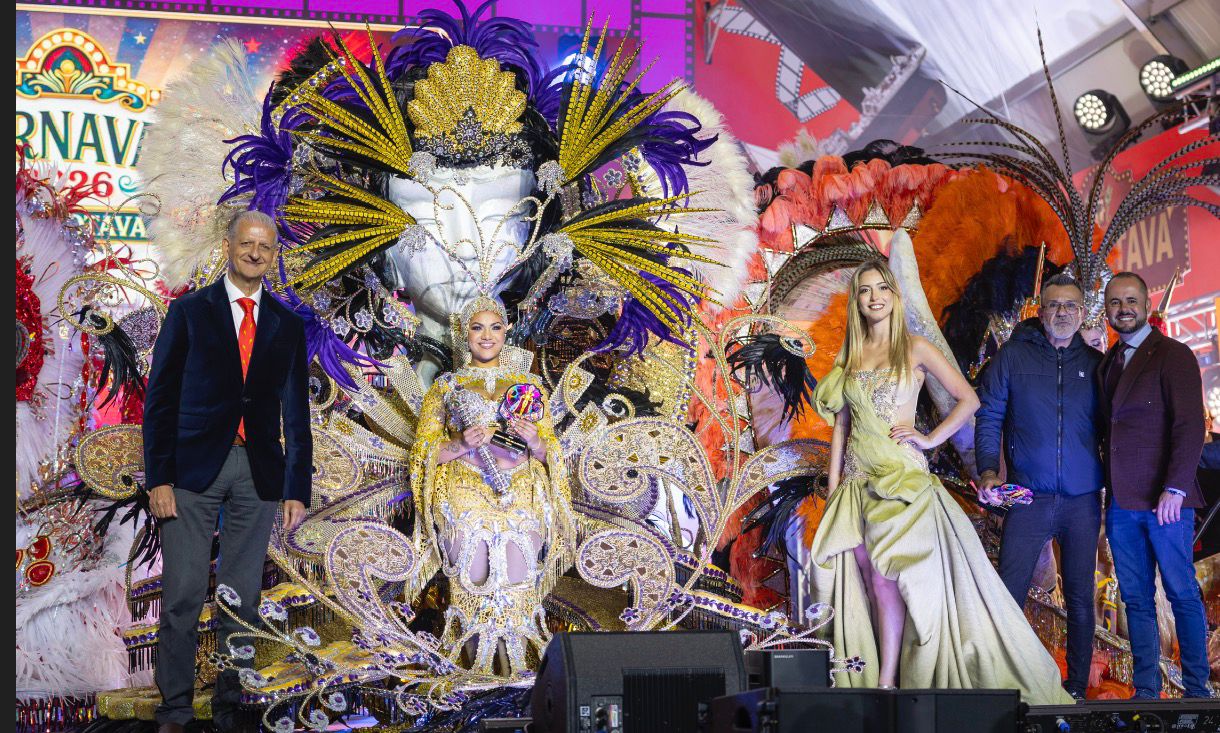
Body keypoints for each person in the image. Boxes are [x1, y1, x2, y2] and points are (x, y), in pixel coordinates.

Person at [807, 260, 1072, 704]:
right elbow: (842, 424)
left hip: (902, 480)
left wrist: (929, 438)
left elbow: (969, 399)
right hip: (856, 481)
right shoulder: (850, 356)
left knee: (897, 579)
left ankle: (891, 679)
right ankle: (877, 676)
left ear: (893, 296)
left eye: (881, 289)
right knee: (870, 580)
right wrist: (835, 486)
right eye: (865, 291)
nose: (874, 297)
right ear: (857, 300)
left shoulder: (915, 348)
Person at [143, 210, 312, 733]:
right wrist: (159, 479)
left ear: (273, 253)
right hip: (192, 472)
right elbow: (160, 400)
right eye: (247, 244)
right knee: (183, 596)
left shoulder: (286, 323)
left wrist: (295, 488)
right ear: (229, 245)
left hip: (258, 473)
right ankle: (174, 708)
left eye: (265, 246)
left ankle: (229, 706)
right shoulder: (191, 311)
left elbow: (295, 413)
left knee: (243, 600)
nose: (255, 253)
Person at [409, 296, 575, 676]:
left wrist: (533, 440)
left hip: (520, 494)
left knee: (517, 586)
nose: (487, 336)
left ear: (507, 332)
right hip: (464, 494)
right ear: (463, 334)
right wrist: (461, 444)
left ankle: (522, 680)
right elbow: (422, 453)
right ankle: (471, 678)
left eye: (495, 327)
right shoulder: (446, 387)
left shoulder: (530, 385)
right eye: (477, 327)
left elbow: (552, 452)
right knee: (472, 584)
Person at [974, 272, 1103, 700]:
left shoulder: (1098, 365)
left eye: (1070, 306)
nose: (1062, 312)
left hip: (1083, 501)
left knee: (1081, 600)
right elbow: (989, 415)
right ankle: (1001, 686)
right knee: (1008, 593)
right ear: (1040, 310)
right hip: (1028, 497)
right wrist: (990, 471)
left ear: (1082, 313)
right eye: (1054, 305)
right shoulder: (1012, 357)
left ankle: (1077, 689)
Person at [1100, 271, 1210, 699]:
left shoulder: (1173, 354)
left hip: (1166, 503)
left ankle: (1198, 692)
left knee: (1181, 593)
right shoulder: (1109, 362)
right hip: (1123, 504)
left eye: (1131, 300)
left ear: (1147, 305)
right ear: (1107, 308)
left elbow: (1190, 425)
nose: (1123, 309)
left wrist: (1177, 488)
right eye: (1114, 302)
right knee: (1136, 600)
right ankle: (1147, 691)